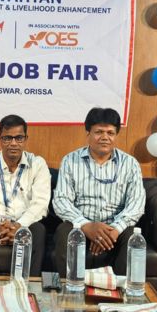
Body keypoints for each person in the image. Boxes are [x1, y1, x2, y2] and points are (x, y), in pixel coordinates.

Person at [52, 107, 145, 276]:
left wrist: (114, 230)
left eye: (110, 133)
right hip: (80, 226)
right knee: (63, 231)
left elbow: (136, 203)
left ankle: (120, 291)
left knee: (131, 235)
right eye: (99, 132)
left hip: (115, 230)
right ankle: (69, 287)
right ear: (88, 133)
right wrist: (86, 225)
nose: (105, 137)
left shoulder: (130, 164)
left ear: (116, 135)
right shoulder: (70, 160)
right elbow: (61, 200)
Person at [0, 114, 51, 276]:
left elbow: (40, 204)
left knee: (38, 230)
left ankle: (29, 287)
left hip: (25, 225)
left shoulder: (37, 164)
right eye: (7, 138)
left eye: (19, 138)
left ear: (26, 139)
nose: (13, 143)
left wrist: (19, 227)